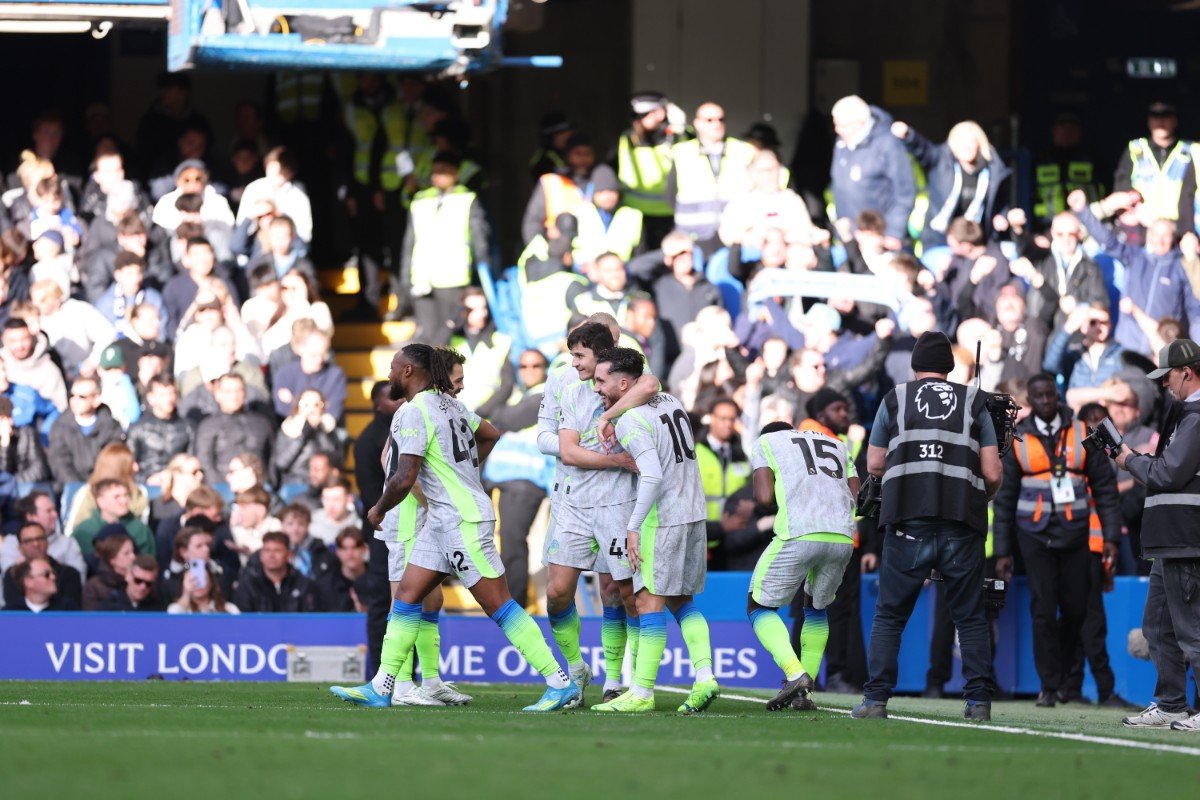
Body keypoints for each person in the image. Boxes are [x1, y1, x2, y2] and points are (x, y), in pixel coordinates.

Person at [331, 343, 579, 711]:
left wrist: (378, 509)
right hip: (442, 521)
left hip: (461, 521)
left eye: (395, 368)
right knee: (407, 597)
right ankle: (382, 687)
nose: (389, 374)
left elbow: (403, 476)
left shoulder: (415, 411)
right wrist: (466, 473)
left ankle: (560, 682)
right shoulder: (452, 405)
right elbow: (490, 433)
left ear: (410, 373)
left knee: (499, 605)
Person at [853, 331, 1002, 721]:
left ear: (914, 365)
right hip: (961, 521)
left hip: (907, 520)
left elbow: (873, 464)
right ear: (951, 367)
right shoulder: (975, 401)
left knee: (890, 616)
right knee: (969, 617)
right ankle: (978, 702)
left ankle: (876, 700)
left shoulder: (895, 399)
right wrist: (978, 496)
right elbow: (992, 471)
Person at [589, 347, 717, 714]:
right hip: (694, 511)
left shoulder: (631, 421)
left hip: (664, 518)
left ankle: (642, 693)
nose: (597, 388)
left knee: (647, 601)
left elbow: (653, 475)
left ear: (624, 383)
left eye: (602, 380)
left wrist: (632, 527)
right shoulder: (671, 401)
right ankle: (705, 675)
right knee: (681, 601)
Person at [992, 373, 1123, 707]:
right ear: (1030, 401)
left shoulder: (1082, 432)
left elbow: (1106, 489)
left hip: (1076, 534)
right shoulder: (1017, 438)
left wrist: (1110, 536)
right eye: (1040, 396)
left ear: (1058, 395)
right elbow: (1004, 500)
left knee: (1078, 611)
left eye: (1051, 394)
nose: (1047, 401)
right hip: (1034, 536)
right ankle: (1050, 686)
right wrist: (1003, 551)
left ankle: (1063, 675)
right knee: (1043, 612)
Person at [548, 324, 641, 701]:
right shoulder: (570, 390)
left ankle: (623, 679)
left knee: (622, 594)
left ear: (602, 353)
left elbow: (651, 385)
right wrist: (616, 459)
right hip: (573, 504)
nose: (573, 363)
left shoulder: (631, 385)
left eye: (579, 356)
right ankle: (576, 668)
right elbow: (568, 452)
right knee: (557, 592)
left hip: (617, 504)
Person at [1115, 339, 1200, 730]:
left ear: (1187, 372)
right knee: (1158, 626)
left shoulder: (1196, 416)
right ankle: (1171, 703)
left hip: (1187, 537)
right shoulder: (1186, 415)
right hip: (1172, 539)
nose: (1164, 385)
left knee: (1191, 630)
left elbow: (1167, 474)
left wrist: (1127, 459)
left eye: (1167, 377)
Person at [748, 419, 858, 711]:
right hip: (843, 537)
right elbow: (857, 496)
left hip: (799, 532)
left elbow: (764, 497)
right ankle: (804, 697)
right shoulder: (836, 444)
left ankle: (795, 675)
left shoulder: (767, 442)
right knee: (816, 608)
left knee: (758, 606)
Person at [1070, 189, 1200, 354]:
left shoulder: (1181, 268)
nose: (1159, 240)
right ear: (1148, 235)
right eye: (1155, 234)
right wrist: (1083, 211)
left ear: (1173, 238)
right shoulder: (1135, 257)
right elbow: (1107, 240)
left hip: (1163, 350)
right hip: (1128, 345)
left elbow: (1195, 311)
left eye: (1165, 236)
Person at [400, 152, 489, 346]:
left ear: (456, 173)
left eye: (443, 171)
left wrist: (481, 275)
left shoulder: (467, 198)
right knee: (429, 337)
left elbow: (480, 240)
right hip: (422, 279)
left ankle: (447, 375)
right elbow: (409, 242)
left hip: (453, 279)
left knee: (449, 336)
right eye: (434, 171)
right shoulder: (420, 200)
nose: (437, 175)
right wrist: (405, 279)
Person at [891, 120, 1011, 249]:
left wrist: (1003, 217)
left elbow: (1002, 202)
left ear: (979, 144)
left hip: (977, 242)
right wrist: (909, 135)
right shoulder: (941, 161)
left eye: (971, 141)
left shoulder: (994, 169)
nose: (966, 147)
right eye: (961, 142)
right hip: (939, 241)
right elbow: (923, 149)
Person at [666, 102, 754, 254]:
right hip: (694, 234)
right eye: (710, 120)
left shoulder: (743, 150)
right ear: (697, 123)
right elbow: (671, 194)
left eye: (721, 119)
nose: (717, 124)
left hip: (735, 233)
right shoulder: (681, 152)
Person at [829, 96, 915, 246]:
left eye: (842, 125)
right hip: (849, 237)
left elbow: (904, 193)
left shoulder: (888, 144)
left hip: (879, 238)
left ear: (858, 124)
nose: (837, 130)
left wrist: (893, 232)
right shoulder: (842, 142)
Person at [1113, 102, 1195, 234]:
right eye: (1155, 116)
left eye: (1166, 115)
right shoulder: (1135, 149)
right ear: (1149, 121)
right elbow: (1121, 188)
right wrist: (1136, 209)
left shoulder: (1191, 151)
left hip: (1178, 229)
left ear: (1174, 120)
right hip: (1141, 228)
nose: (1160, 120)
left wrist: (1188, 231)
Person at [614, 91, 682, 247]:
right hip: (636, 215)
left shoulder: (677, 138)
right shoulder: (627, 138)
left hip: (669, 214)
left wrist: (680, 127)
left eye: (644, 115)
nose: (637, 121)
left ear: (660, 113)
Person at [47, 377, 124, 490]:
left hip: (104, 489)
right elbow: (59, 463)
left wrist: (98, 487)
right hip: (71, 489)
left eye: (81, 397)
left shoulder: (111, 426)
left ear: (96, 399)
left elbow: (113, 462)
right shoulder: (60, 426)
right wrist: (78, 488)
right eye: (72, 395)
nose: (74, 400)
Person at [193, 372, 274, 479]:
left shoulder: (261, 423)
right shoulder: (208, 426)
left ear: (245, 393)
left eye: (238, 390)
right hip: (223, 487)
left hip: (259, 486)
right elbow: (205, 463)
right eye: (228, 391)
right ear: (217, 394)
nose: (234, 396)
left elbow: (272, 457)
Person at [232, 530, 321, 612]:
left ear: (288, 554)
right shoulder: (248, 585)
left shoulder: (303, 584)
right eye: (267, 550)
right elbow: (243, 620)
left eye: (277, 551)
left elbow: (311, 618)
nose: (271, 555)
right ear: (261, 555)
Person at [1, 521, 83, 609]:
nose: (36, 544)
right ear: (20, 548)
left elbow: (71, 613)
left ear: (47, 542)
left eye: (40, 538)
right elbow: (13, 612)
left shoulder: (69, 573)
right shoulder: (12, 574)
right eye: (28, 541)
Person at [126, 375, 191, 483]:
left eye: (172, 393)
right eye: (162, 395)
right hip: (147, 487)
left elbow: (192, 462)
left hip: (179, 485)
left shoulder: (188, 427)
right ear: (150, 398)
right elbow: (127, 466)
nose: (169, 399)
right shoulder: (137, 428)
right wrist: (147, 480)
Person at [72, 479, 155, 560]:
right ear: (101, 502)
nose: (124, 500)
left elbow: (148, 562)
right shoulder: (84, 530)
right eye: (116, 497)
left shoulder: (140, 530)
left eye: (126, 495)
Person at [4, 555, 78, 612]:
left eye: (53, 573)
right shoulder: (9, 613)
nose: (53, 577)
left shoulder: (68, 609)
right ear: (28, 582)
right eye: (47, 575)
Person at [167, 559, 239, 614]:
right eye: (192, 580)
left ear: (211, 582)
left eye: (202, 579)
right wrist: (186, 594)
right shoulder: (177, 608)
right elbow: (171, 624)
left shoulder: (229, 609)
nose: (197, 584)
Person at [310, 477, 362, 544]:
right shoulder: (311, 526)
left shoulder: (360, 527)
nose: (330, 505)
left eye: (336, 499)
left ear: (349, 499)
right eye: (326, 499)